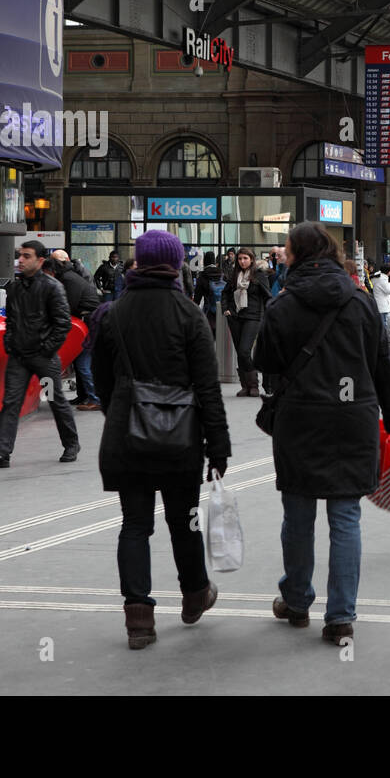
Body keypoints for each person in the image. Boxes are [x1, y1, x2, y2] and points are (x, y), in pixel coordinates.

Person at [254, 222, 390, 643]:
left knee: (298, 516)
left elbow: (263, 359)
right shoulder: (360, 302)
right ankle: (341, 616)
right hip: (352, 417)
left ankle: (298, 601)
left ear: (296, 254)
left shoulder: (283, 304)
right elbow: (381, 366)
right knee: (346, 517)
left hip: (300, 420)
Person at [87, 230, 230, 650]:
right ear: (176, 264)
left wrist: (123, 410)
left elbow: (102, 379)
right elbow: (208, 388)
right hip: (180, 437)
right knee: (183, 522)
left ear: (138, 262)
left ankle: (139, 619)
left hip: (127, 436)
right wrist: (217, 447)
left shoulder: (111, 314)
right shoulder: (189, 314)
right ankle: (195, 594)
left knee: (134, 525)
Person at [0, 241, 79, 468]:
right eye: (20, 255)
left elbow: (63, 324)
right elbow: (10, 320)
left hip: (44, 360)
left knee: (55, 399)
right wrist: (10, 344)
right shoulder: (15, 288)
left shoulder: (53, 287)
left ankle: (71, 443)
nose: (20, 260)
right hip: (19, 358)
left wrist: (46, 350)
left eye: (26, 256)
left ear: (40, 260)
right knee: (11, 402)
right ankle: (1, 453)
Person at [48, 250, 101, 411]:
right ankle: (85, 395)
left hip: (87, 323)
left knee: (83, 362)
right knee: (80, 362)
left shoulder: (68, 279)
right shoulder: (72, 275)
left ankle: (95, 398)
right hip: (88, 322)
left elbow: (69, 306)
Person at [221, 248, 271, 398]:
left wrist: (271, 314)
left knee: (244, 351)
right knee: (240, 353)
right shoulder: (234, 275)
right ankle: (245, 386)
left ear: (251, 259)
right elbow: (225, 293)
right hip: (235, 316)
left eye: (245, 258)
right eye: (240, 259)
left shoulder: (259, 275)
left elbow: (267, 296)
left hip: (253, 316)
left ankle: (253, 384)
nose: (242, 261)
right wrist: (226, 309)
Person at [192, 258, 224, 337]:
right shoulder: (221, 273)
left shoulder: (202, 275)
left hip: (209, 310)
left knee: (208, 335)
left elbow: (197, 297)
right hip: (222, 310)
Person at [370, 262, 390, 329]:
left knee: (380, 323)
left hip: (378, 303)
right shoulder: (382, 279)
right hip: (382, 305)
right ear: (388, 272)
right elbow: (389, 291)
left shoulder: (376, 276)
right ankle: (383, 338)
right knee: (383, 323)